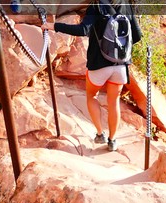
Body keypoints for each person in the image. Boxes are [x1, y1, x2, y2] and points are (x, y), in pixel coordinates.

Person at [41, 0, 142, 151]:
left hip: (98, 64)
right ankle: (112, 140)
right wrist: (119, 47)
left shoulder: (96, 7)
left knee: (91, 96)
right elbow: (137, 35)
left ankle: (100, 134)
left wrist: (53, 26)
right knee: (113, 102)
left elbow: (83, 30)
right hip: (120, 65)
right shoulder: (125, 4)